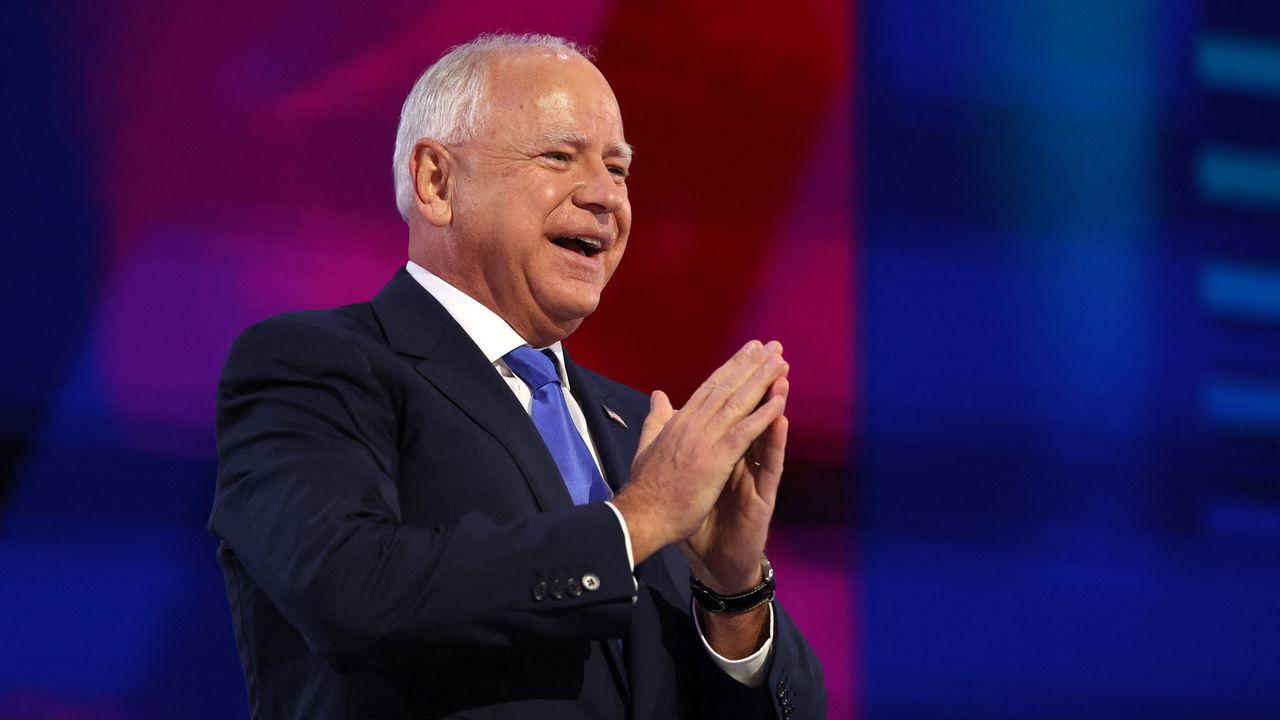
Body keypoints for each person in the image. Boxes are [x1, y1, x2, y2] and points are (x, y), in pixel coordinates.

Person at [210, 33, 825, 719]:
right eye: (558, 157)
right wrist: (642, 517)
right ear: (436, 182)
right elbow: (352, 592)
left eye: (619, 169)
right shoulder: (316, 365)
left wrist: (732, 588)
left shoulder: (639, 433)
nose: (605, 197)